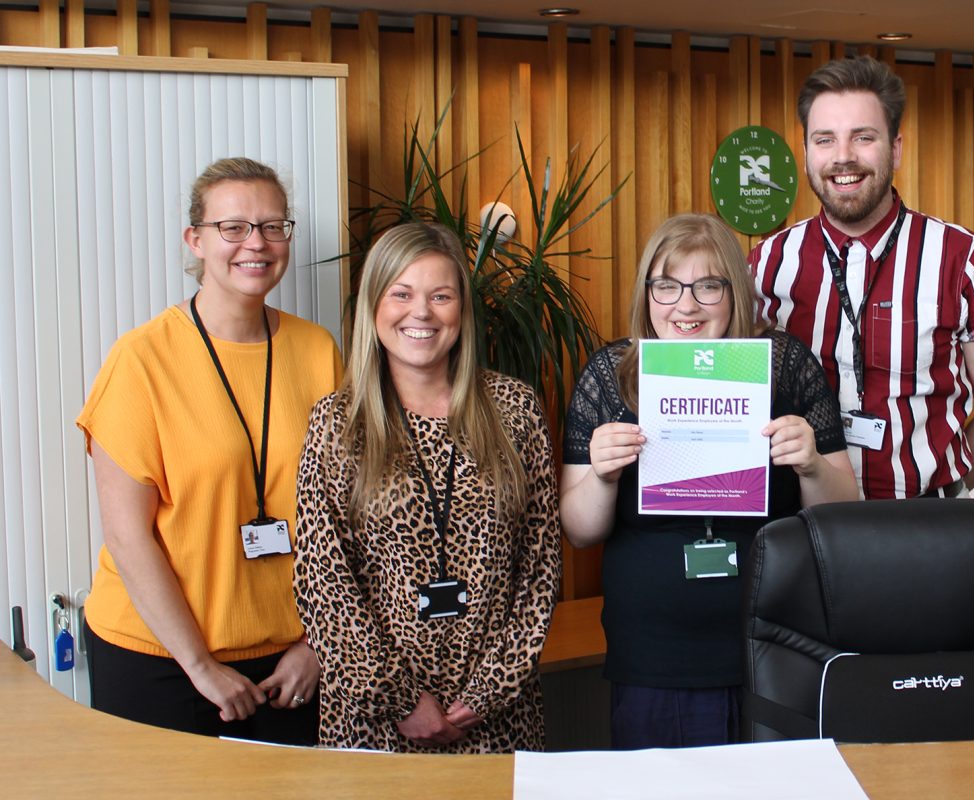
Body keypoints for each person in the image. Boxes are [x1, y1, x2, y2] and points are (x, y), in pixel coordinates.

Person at [560, 213, 857, 749]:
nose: (686, 305)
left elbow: (841, 511)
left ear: (735, 292)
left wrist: (811, 465)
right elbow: (580, 530)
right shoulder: (612, 374)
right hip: (655, 654)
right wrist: (602, 475)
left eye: (708, 285)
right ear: (647, 293)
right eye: (667, 285)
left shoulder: (786, 365)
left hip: (772, 645)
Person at [77, 157, 342, 742]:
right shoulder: (141, 360)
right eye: (234, 227)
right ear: (195, 240)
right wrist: (199, 666)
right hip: (160, 660)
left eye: (273, 225)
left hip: (288, 664)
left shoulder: (319, 351)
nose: (257, 242)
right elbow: (127, 535)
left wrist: (316, 644)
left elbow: (345, 518)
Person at [293, 222, 562, 754]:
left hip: (495, 719)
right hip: (374, 724)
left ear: (461, 311)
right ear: (374, 305)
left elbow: (540, 566)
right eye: (401, 293)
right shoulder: (337, 423)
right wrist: (398, 700)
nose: (421, 312)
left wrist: (487, 693)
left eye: (441, 296)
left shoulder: (515, 410)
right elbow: (324, 583)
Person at [749, 56, 974, 500]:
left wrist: (941, 494)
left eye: (863, 138)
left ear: (895, 148)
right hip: (801, 527)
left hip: (922, 528)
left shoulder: (964, 260)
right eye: (825, 140)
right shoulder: (765, 264)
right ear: (805, 151)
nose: (843, 157)